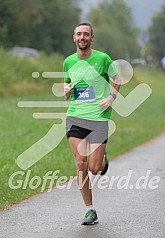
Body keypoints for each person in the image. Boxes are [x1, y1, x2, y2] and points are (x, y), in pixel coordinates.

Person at [63, 22, 120, 225]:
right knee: (80, 163)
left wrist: (111, 97)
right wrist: (66, 91)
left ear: (91, 38)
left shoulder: (103, 59)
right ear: (74, 38)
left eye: (86, 34)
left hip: (98, 117)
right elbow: (67, 84)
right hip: (75, 116)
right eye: (79, 34)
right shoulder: (68, 62)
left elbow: (117, 78)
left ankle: (102, 159)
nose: (82, 37)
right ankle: (90, 210)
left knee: (94, 169)